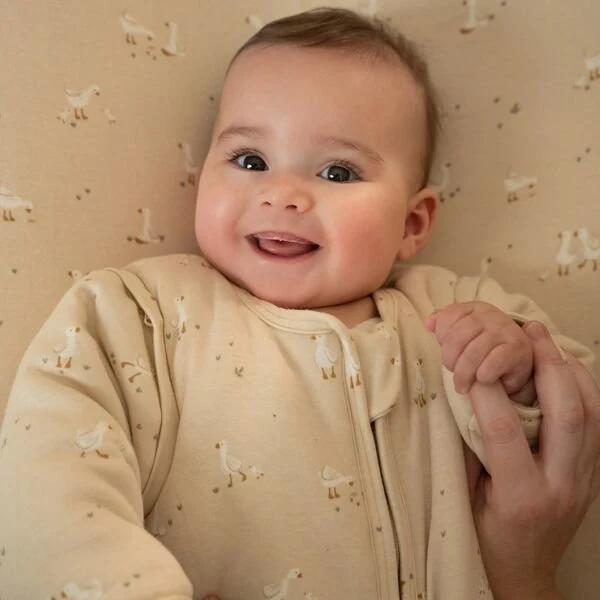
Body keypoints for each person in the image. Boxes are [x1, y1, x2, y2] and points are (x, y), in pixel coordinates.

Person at [0, 7, 596, 600]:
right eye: (250, 161)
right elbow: (53, 485)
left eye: (337, 172)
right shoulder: (142, 315)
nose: (281, 194)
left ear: (412, 223)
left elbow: (572, 422)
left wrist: (515, 374)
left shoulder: (455, 310)